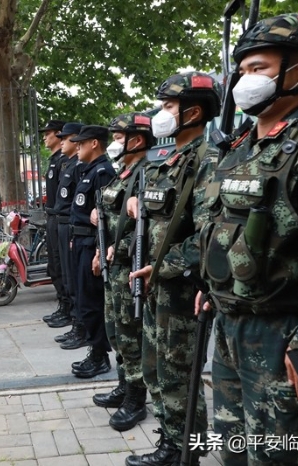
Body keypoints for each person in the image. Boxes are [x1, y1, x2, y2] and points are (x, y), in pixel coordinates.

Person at [193, 14, 298, 465]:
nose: (245, 81)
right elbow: (220, 228)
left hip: (280, 334)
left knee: (276, 453)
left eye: (259, 68)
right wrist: (210, 286)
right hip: (229, 323)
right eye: (243, 71)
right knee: (230, 443)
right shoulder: (240, 147)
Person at [125, 71, 222, 466]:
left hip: (183, 288)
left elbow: (210, 235)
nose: (160, 115)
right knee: (155, 368)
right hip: (156, 284)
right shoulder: (169, 159)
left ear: (193, 112)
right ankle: (169, 439)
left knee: (180, 375)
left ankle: (186, 452)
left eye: (168, 107)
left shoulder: (209, 159)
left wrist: (161, 267)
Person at [91, 113, 154, 432]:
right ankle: (123, 385)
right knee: (116, 330)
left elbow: (150, 224)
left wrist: (122, 246)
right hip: (113, 267)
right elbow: (112, 215)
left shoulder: (147, 174)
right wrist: (103, 249)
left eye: (118, 137)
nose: (113, 143)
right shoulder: (123, 172)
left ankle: (135, 399)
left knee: (130, 334)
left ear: (137, 140)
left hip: (130, 268)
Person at [67, 125, 115, 378]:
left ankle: (100, 356)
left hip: (92, 247)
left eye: (81, 143)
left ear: (94, 143)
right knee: (84, 301)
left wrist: (99, 250)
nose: (77, 148)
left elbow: (105, 218)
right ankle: (96, 351)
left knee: (92, 303)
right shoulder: (88, 171)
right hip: (82, 243)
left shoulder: (103, 172)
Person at [50, 122, 86, 348]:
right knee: (62, 271)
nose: (61, 141)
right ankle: (74, 320)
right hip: (60, 221)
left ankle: (79, 326)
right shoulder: (68, 164)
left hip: (72, 226)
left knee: (74, 279)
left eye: (66, 138)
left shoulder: (79, 166)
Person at [38, 119, 70, 328]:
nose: (44, 137)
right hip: (51, 218)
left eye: (48, 133)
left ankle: (68, 309)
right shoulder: (53, 160)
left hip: (60, 218)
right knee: (54, 266)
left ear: (58, 135)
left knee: (61, 265)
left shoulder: (63, 161)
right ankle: (63, 306)